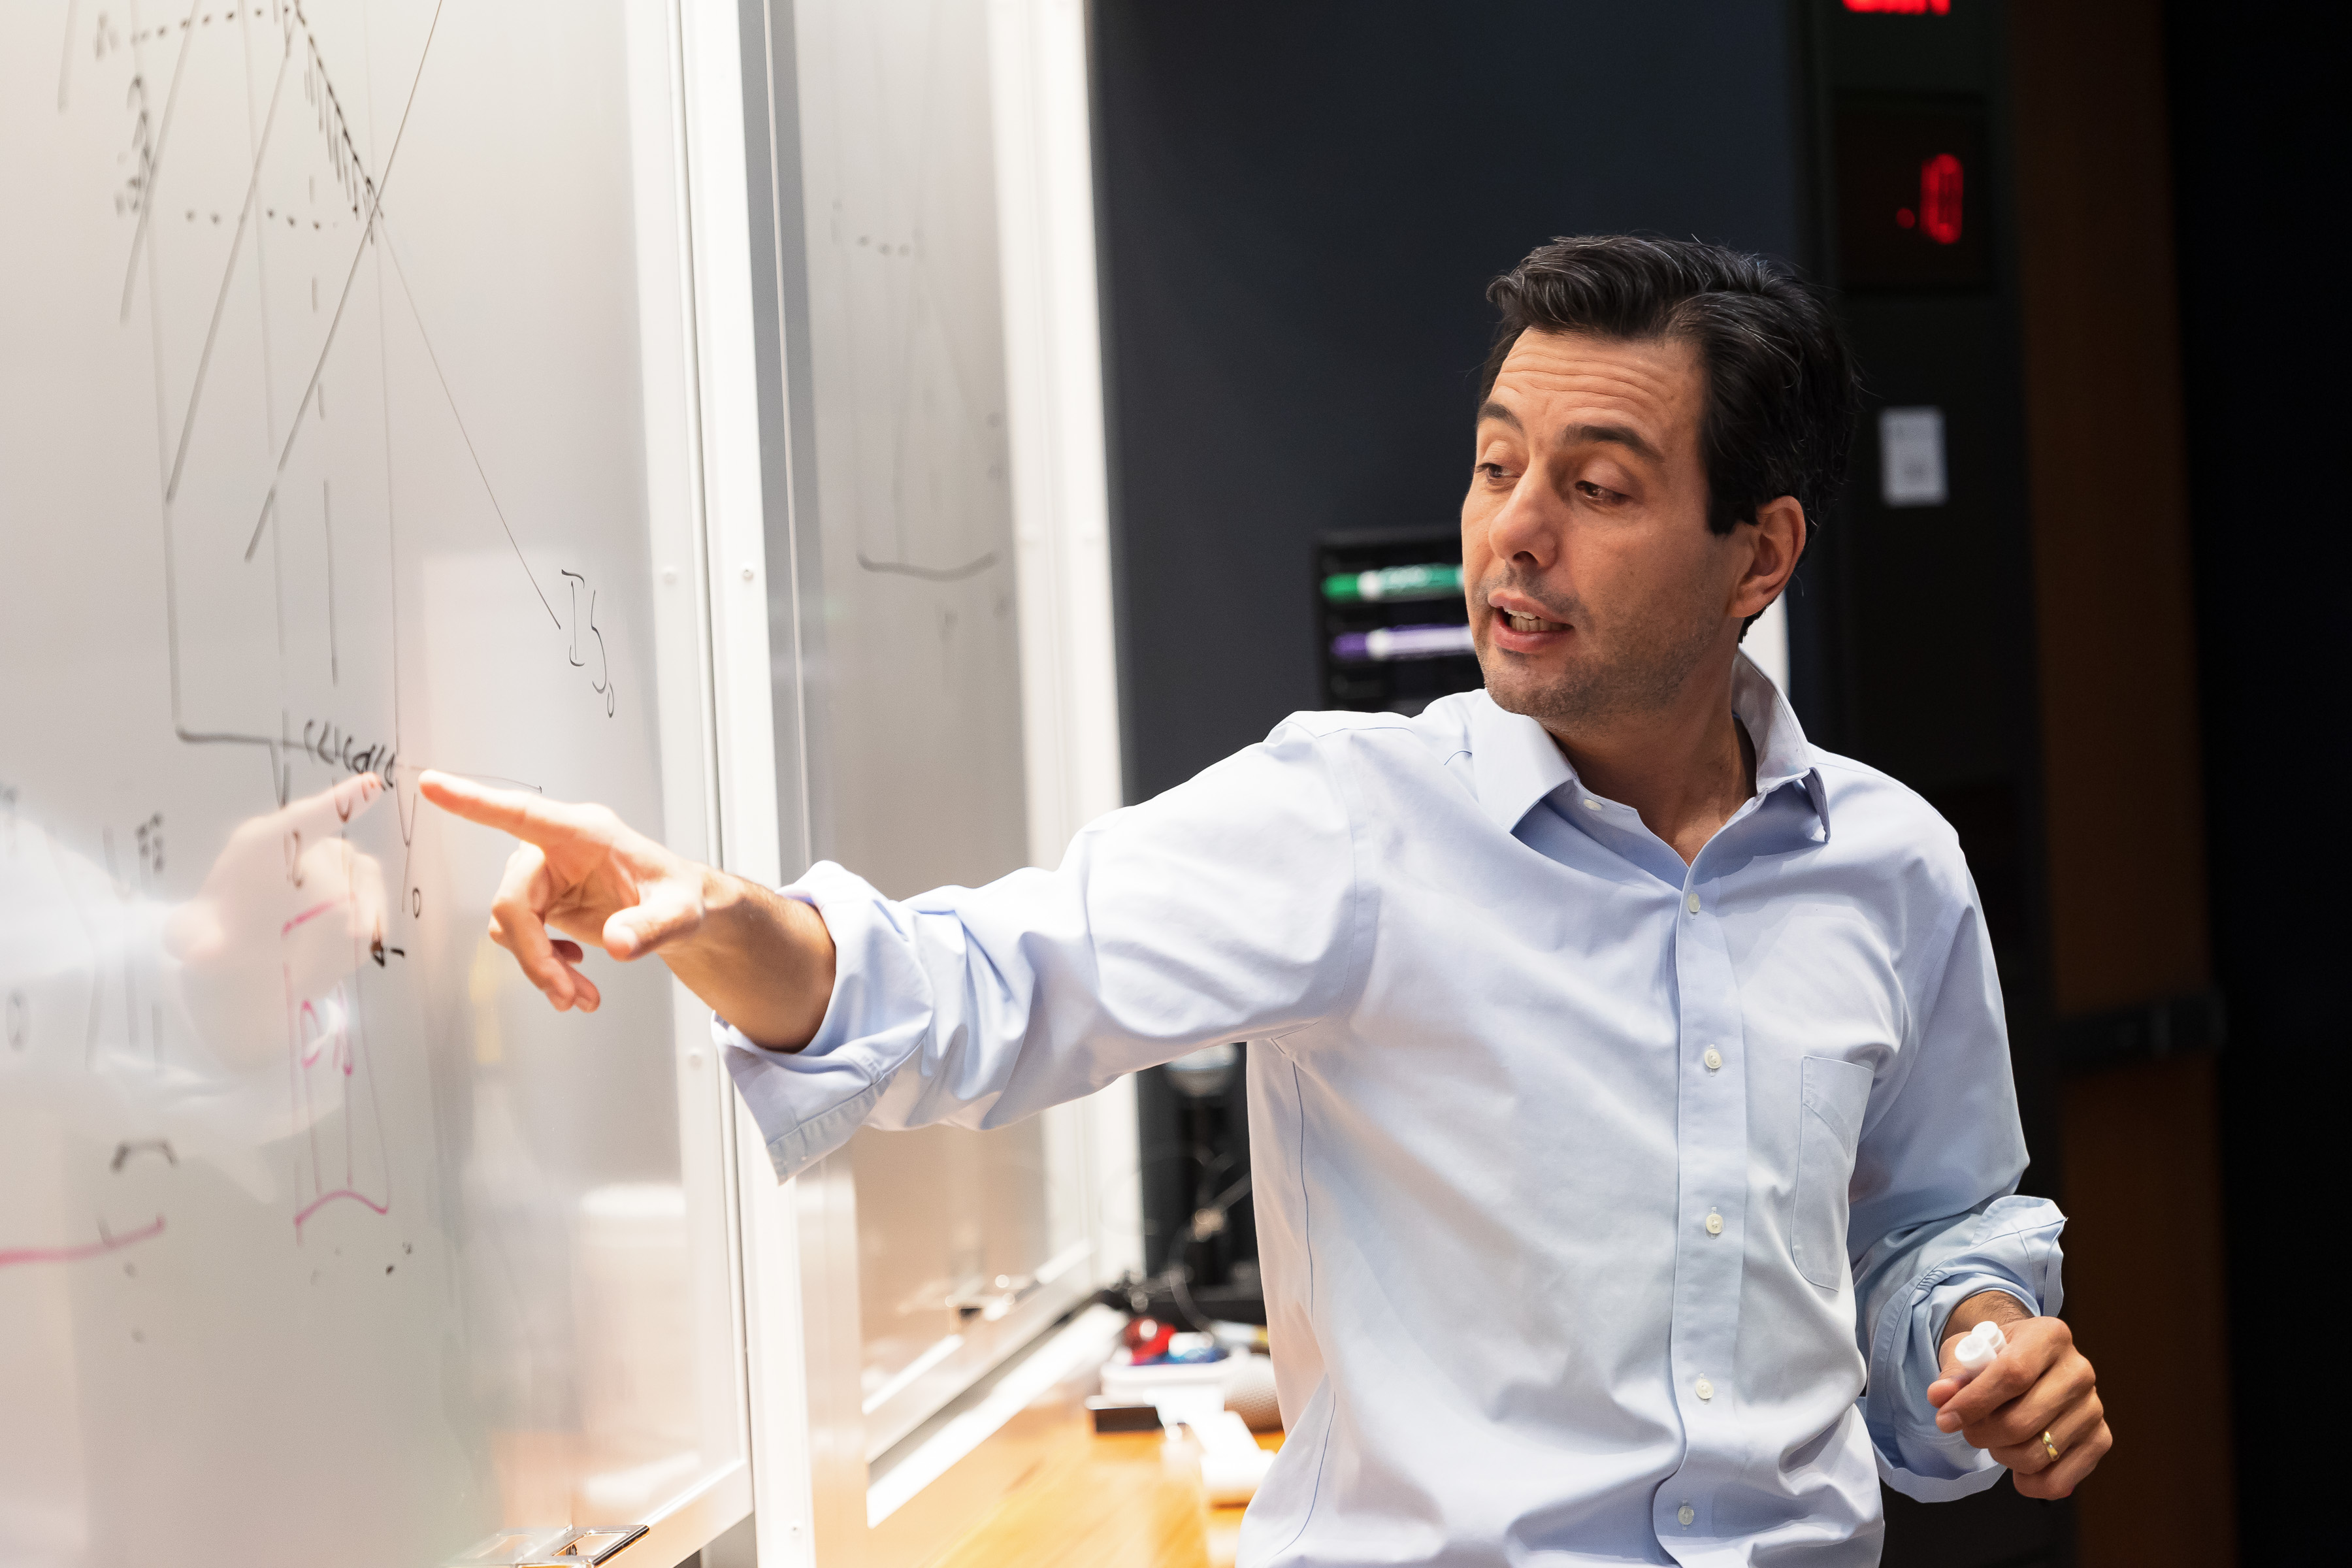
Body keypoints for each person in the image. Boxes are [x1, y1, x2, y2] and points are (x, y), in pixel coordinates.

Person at [422, 235, 2109, 1565]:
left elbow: (1933, 1224)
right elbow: (985, 987)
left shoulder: (1888, 866)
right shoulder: (1347, 823)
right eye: (1496, 467)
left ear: (1762, 556)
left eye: (1595, 489)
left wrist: (1977, 1328)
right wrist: (709, 912)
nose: (1512, 535)